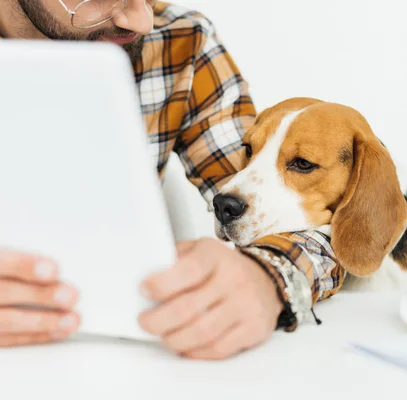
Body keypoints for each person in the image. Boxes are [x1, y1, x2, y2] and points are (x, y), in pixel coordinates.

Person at [0, 0, 343, 359]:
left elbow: (309, 214)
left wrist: (269, 277)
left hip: (119, 359)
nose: (142, 19)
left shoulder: (180, 42)